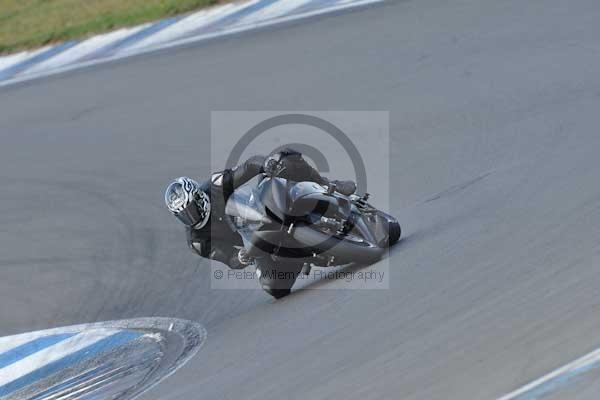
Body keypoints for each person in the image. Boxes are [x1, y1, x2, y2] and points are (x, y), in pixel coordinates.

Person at [164, 149, 356, 269]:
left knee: (286, 157)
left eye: (190, 210)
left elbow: (248, 167)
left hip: (259, 204)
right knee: (272, 287)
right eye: (183, 215)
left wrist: (266, 164)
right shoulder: (197, 242)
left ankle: (329, 186)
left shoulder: (215, 185)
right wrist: (240, 258)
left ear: (198, 197)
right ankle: (302, 259)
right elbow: (228, 258)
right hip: (255, 242)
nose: (190, 217)